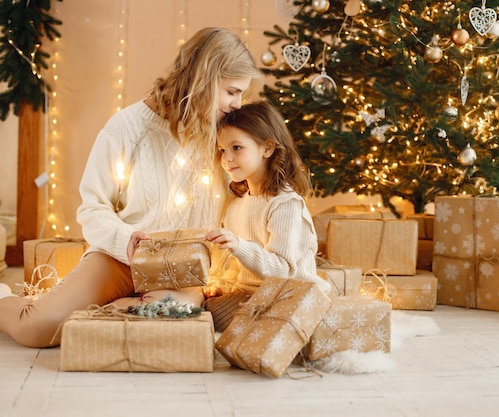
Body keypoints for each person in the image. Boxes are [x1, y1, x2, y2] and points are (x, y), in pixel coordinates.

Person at [0, 27, 262, 348]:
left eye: (242, 95)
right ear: (204, 79)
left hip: (184, 271)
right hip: (120, 260)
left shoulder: (227, 135)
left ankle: (108, 311)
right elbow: (92, 209)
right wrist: (127, 242)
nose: (237, 104)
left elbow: (252, 192)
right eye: (232, 91)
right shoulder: (127, 127)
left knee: (148, 325)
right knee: (37, 329)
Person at [203, 100, 331, 331]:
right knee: (200, 309)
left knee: (205, 318)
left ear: (267, 148)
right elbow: (236, 267)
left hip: (289, 295)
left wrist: (239, 245)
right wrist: (221, 285)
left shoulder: (285, 204)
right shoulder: (236, 206)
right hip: (251, 295)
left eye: (237, 148)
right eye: (222, 150)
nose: (227, 158)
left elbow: (282, 270)